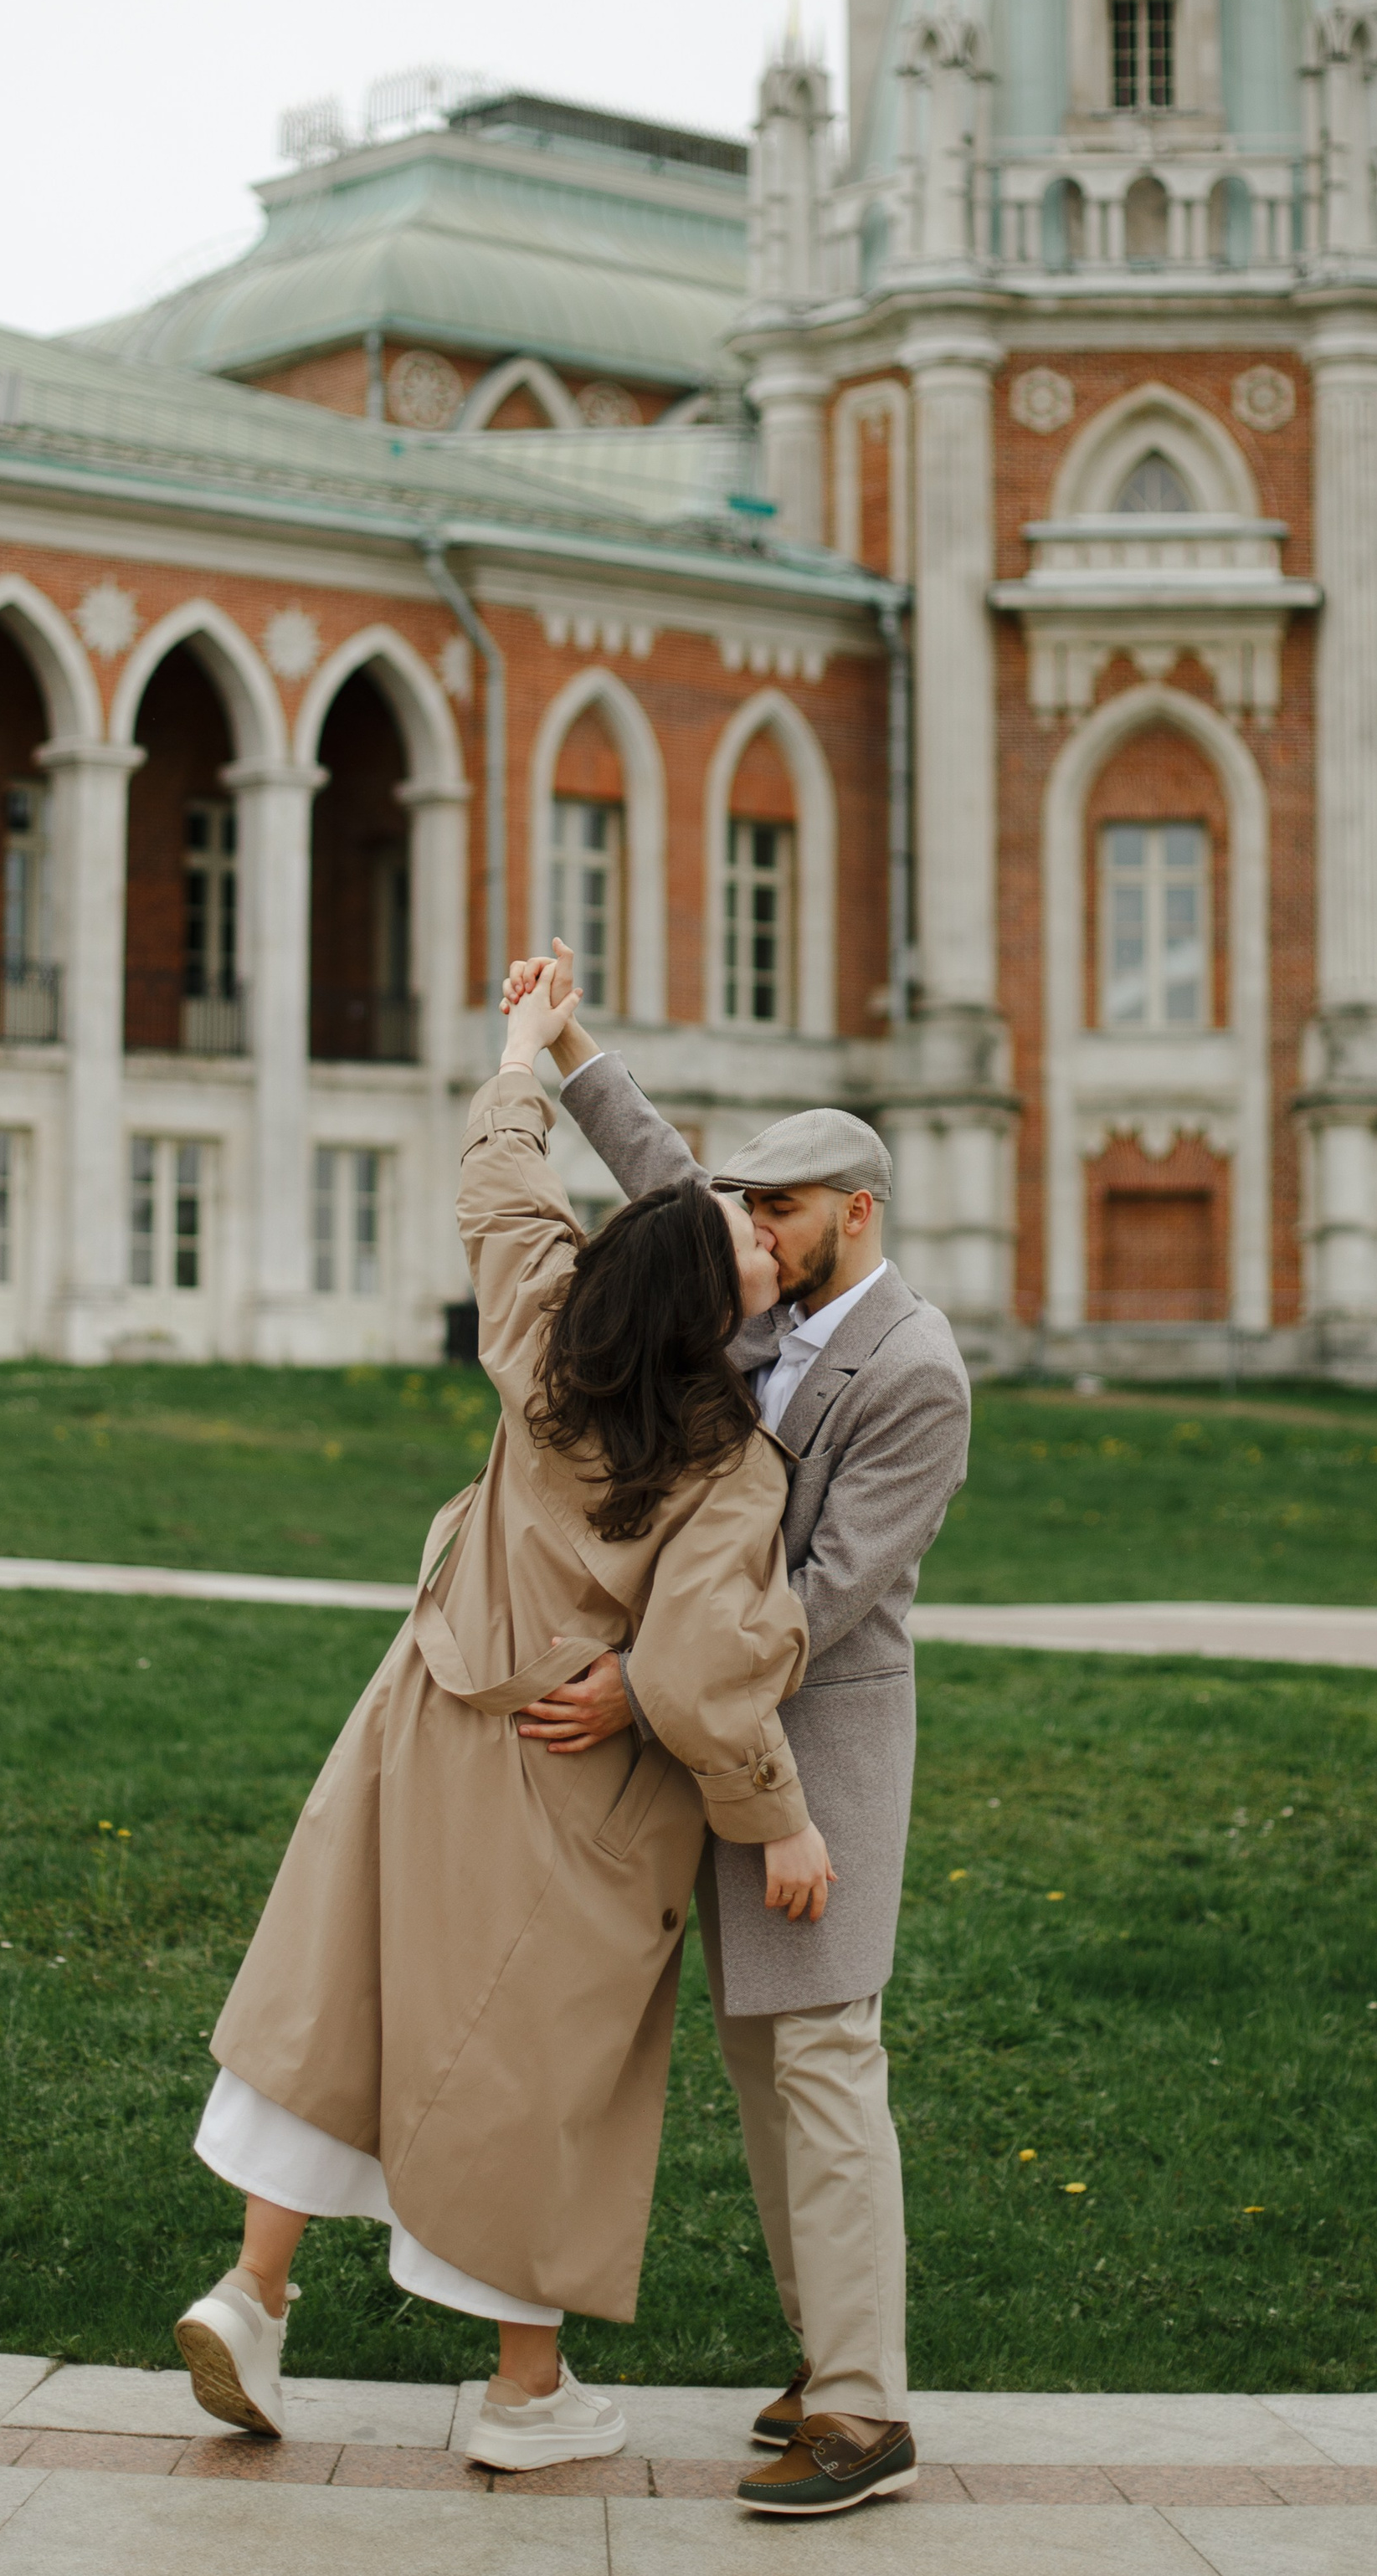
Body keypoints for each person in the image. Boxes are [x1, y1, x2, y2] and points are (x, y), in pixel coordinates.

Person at [173, 964, 841, 2479]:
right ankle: (523, 2395)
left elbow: (501, 1180)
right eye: (748, 1235)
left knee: (343, 1995)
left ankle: (252, 2293)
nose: (758, 1232)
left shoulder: (545, 1337)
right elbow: (703, 1675)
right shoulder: (729, 1464)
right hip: (573, 1778)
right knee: (542, 2066)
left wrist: (522, 1050)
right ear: (714, 1300)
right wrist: (781, 1822)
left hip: (424, 1722)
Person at [501, 941, 971, 2517]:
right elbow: (664, 1183)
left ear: (859, 1211)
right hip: (719, 1744)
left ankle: (865, 2409)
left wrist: (649, 1686)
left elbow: (829, 1595)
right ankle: (823, 2359)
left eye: (779, 1212)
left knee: (828, 2064)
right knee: (766, 2072)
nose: (750, 1234)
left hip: (818, 1752)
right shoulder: (770, 1313)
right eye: (750, 1213)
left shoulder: (916, 1374)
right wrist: (567, 1054)